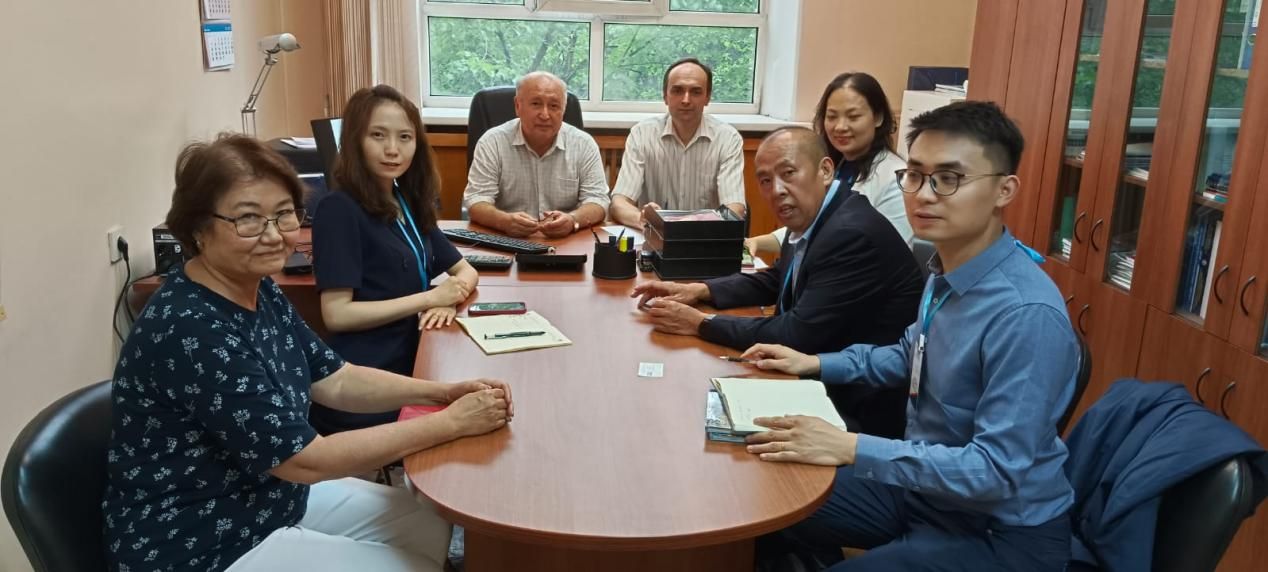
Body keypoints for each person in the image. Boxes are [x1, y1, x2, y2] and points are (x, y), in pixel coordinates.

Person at [103, 134, 513, 572]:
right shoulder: (191, 328)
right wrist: (451, 423)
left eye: (284, 214)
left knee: (430, 524)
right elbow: (307, 460)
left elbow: (336, 379)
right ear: (197, 230)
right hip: (198, 542)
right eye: (247, 219)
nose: (273, 235)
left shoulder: (257, 287)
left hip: (263, 497)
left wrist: (442, 393)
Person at [741, 101, 1078, 571]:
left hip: (996, 531)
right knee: (768, 490)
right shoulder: (946, 268)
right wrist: (814, 363)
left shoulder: (1025, 314)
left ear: (1005, 190)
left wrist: (851, 447)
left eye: (949, 178)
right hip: (926, 493)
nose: (924, 194)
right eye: (915, 175)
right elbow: (909, 354)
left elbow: (995, 471)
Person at [631, 126, 922, 435]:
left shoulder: (850, 233)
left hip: (854, 408)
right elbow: (777, 278)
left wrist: (700, 323)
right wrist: (699, 290)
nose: (777, 190)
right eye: (766, 181)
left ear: (825, 170)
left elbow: (796, 333)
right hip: (814, 379)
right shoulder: (823, 213)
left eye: (789, 173)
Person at [311, 85, 479, 434]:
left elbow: (465, 270)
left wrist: (449, 300)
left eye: (405, 137)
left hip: (412, 358)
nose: (392, 149)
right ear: (355, 140)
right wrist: (430, 298)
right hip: (366, 378)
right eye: (378, 135)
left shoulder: (405, 200)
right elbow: (337, 314)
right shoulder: (339, 209)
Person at [745, 72, 912, 257]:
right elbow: (812, 225)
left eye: (853, 117)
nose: (840, 127)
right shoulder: (836, 166)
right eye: (832, 117)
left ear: (878, 117)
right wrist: (755, 242)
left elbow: (890, 252)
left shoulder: (896, 180)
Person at [463, 71, 608, 237]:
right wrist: (504, 221)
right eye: (536, 104)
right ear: (518, 106)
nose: (545, 115)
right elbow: (477, 199)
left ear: (563, 109)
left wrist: (572, 220)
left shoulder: (584, 144)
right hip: (506, 239)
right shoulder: (492, 142)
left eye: (554, 106)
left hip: (565, 240)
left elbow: (598, 200)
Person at [609, 57, 746, 227]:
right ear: (665, 96)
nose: (686, 100)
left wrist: (690, 226)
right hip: (654, 233)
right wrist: (642, 219)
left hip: (705, 236)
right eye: (677, 90)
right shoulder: (642, 134)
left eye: (695, 92)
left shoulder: (728, 139)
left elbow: (735, 209)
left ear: (707, 98)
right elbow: (619, 203)